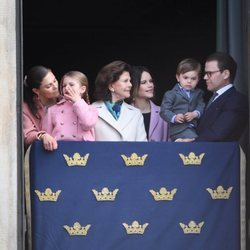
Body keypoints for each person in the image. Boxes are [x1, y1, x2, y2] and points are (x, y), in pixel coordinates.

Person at [177, 52, 249, 142]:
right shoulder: (212, 99)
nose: (205, 77)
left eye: (209, 73)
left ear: (225, 74)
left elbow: (217, 134)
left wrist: (191, 142)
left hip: (221, 155)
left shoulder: (236, 100)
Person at [92, 60, 147, 141]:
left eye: (130, 81)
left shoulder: (136, 114)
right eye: (125, 81)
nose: (130, 85)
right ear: (111, 86)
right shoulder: (91, 110)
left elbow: (142, 147)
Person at [42, 71, 98, 149]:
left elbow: (87, 124)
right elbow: (46, 134)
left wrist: (78, 102)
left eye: (71, 85)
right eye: (64, 86)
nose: (67, 88)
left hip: (84, 150)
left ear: (82, 89)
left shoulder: (91, 109)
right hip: (59, 150)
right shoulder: (52, 110)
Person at [160, 58, 205, 141]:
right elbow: (164, 111)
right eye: (185, 77)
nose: (189, 81)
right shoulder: (171, 94)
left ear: (198, 80)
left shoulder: (199, 93)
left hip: (193, 128)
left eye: (193, 78)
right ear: (178, 77)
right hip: (177, 129)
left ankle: (183, 141)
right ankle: (181, 140)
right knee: (195, 140)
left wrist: (195, 114)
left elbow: (201, 106)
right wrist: (174, 117)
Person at [23, 65, 60, 152]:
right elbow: (28, 136)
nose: (55, 86)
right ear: (36, 90)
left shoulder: (65, 100)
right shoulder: (26, 107)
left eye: (55, 80)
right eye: (48, 86)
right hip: (42, 153)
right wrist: (43, 136)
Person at [129, 65, 169, 141]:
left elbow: (170, 141)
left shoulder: (164, 113)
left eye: (150, 81)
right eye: (144, 82)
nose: (150, 85)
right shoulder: (125, 113)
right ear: (133, 86)